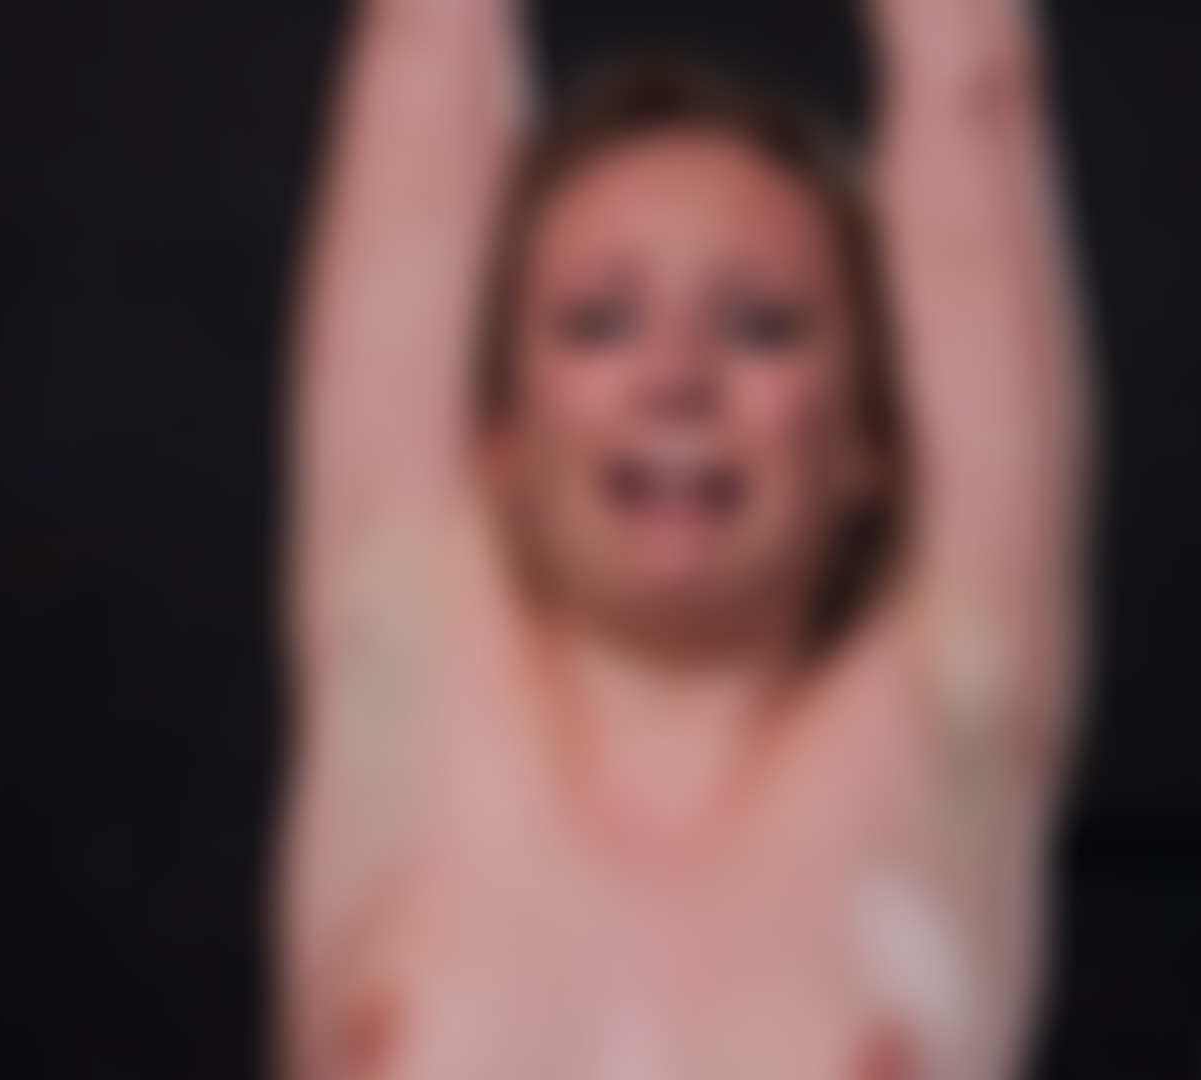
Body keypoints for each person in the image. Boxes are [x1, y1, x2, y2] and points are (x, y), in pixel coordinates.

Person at [275, 0, 1091, 1074]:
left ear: (871, 438)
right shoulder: (411, 652)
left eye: (760, 324)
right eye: (599, 321)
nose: (675, 376)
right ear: (500, 430)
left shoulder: (948, 706)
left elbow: (970, 88)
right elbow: (429, 34)